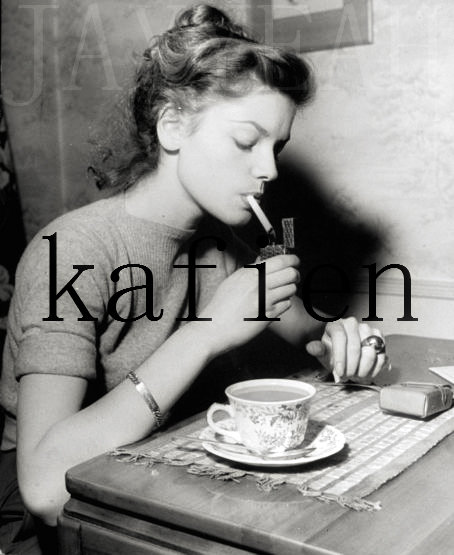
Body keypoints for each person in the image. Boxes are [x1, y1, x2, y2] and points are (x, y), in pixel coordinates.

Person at [0, 4, 387, 553]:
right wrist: (206, 332)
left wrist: (348, 342)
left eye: (276, 147)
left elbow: (312, 338)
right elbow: (43, 488)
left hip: (158, 483)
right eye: (246, 141)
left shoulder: (222, 246)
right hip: (52, 526)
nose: (269, 170)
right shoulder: (71, 250)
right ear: (173, 126)